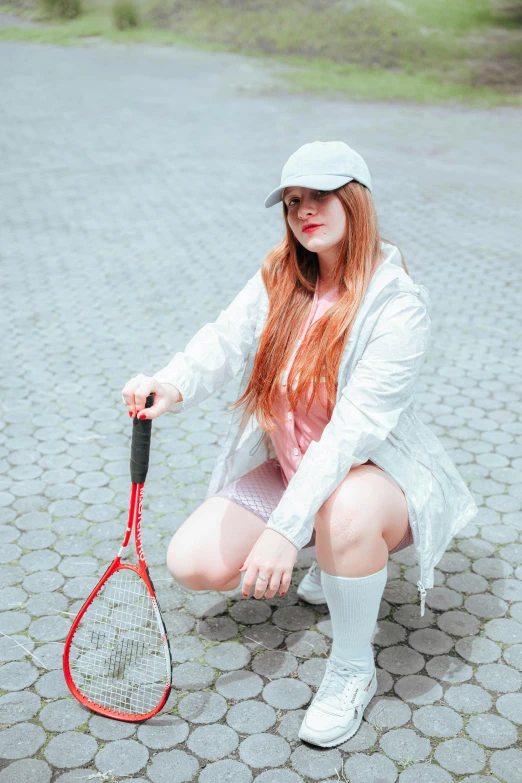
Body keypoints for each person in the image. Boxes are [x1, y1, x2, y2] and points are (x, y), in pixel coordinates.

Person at [121, 141, 478, 748]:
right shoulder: (282, 276)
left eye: (319, 196)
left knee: (346, 513)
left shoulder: (396, 304)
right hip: (295, 470)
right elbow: (224, 339)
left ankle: (350, 667)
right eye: (292, 201)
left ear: (355, 201)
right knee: (194, 563)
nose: (304, 211)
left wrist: (285, 531)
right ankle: (332, 554)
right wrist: (170, 382)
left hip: (372, 478)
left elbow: (351, 433)